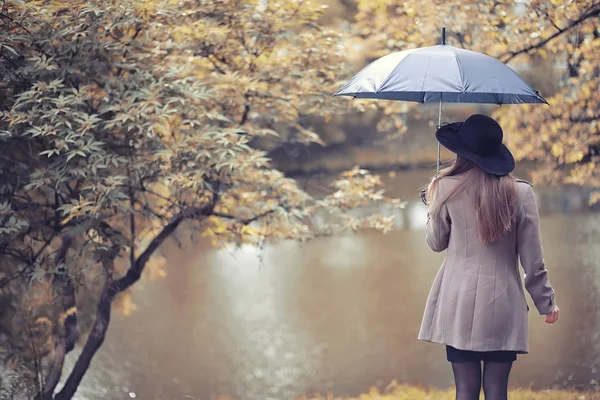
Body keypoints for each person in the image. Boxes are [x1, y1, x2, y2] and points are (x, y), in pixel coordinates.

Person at [417, 114, 560, 400]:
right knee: (497, 391)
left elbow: (435, 244)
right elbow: (532, 261)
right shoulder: (521, 193)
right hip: (502, 301)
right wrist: (546, 302)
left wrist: (434, 207)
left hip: (457, 301)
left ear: (461, 152)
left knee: (465, 390)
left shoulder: (446, 188)